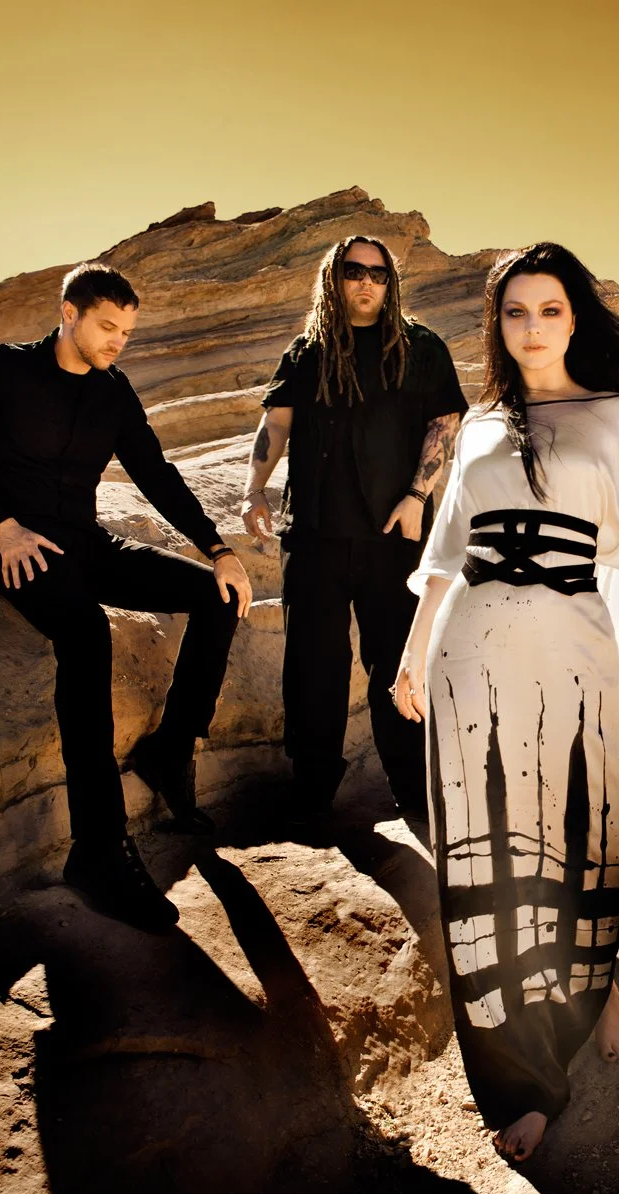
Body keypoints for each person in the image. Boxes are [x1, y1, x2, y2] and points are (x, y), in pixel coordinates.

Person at [392, 243, 619, 1162]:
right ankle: (521, 1078)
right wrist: (414, 658)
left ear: (577, 319)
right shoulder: (481, 427)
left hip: (572, 640)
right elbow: (446, 559)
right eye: (516, 312)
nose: (532, 328)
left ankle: (594, 978)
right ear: (496, 325)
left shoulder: (618, 417)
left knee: (580, 834)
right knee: (483, 860)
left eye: (551, 311)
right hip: (472, 649)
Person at [0, 263, 251, 931]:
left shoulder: (113, 393)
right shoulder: (2, 372)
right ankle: (96, 851)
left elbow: (154, 472)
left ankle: (168, 748)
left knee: (216, 597)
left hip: (86, 543)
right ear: (68, 314)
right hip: (16, 549)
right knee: (86, 634)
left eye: (126, 332)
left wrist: (217, 547)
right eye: (106, 327)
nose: (116, 342)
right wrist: (0, 528)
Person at [238, 236, 466, 835]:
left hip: (392, 535)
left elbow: (446, 421)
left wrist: (418, 496)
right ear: (333, 278)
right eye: (353, 271)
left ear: (390, 283)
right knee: (312, 668)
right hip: (313, 536)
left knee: (396, 660)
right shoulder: (307, 351)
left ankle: (415, 795)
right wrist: (253, 488)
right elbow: (277, 421)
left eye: (378, 273)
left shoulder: (420, 347)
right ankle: (313, 794)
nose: (366, 281)